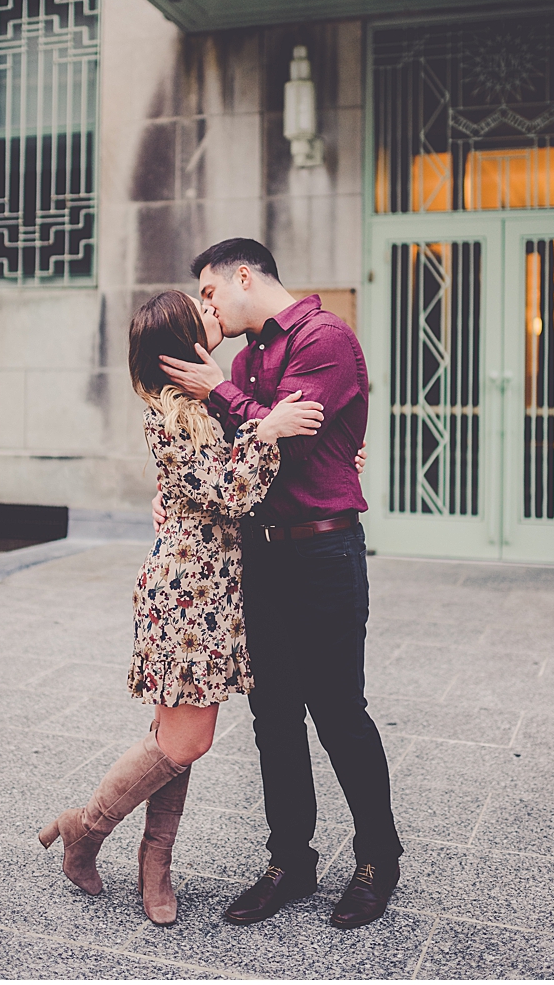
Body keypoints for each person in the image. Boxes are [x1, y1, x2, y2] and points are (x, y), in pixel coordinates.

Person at [40, 291, 323, 921]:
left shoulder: (212, 401)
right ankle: (87, 828)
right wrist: (269, 430)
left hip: (214, 588)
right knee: (188, 741)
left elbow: (215, 482)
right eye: (201, 310)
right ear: (183, 346)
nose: (211, 309)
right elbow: (230, 492)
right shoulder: (170, 415)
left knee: (176, 736)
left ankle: (155, 863)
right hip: (187, 592)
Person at [160, 238, 404, 930]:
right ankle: (290, 861)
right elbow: (233, 453)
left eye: (208, 291)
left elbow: (291, 440)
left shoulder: (324, 337)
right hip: (260, 557)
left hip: (325, 553)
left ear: (244, 276)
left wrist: (225, 395)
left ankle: (379, 859)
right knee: (273, 720)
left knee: (338, 713)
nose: (205, 306)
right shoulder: (246, 359)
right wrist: (172, 488)